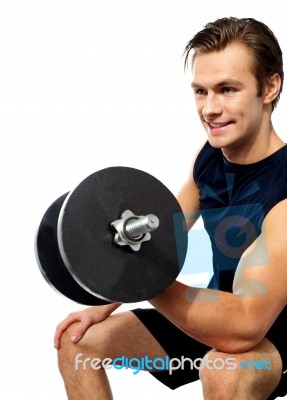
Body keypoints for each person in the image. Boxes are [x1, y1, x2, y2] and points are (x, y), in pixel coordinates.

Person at [54, 17, 287, 399]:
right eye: (201, 91)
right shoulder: (210, 160)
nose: (210, 109)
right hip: (219, 317)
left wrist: (144, 279)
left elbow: (248, 325)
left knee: (223, 371)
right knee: (79, 343)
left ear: (269, 86)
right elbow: (161, 236)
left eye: (227, 89)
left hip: (270, 337)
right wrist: (105, 301)